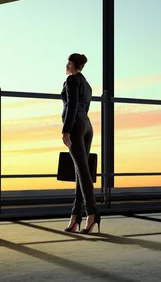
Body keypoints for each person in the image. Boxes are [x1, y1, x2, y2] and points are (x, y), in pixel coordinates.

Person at [61, 53, 101, 234]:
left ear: (71, 64)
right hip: (87, 126)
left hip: (76, 126)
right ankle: (75, 217)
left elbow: (72, 105)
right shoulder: (88, 85)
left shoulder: (71, 81)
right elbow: (84, 107)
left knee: (82, 171)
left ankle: (92, 213)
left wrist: (66, 130)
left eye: (67, 63)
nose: (66, 65)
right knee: (80, 170)